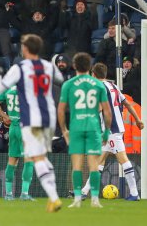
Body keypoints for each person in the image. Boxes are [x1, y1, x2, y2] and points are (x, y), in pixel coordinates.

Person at [0, 34, 63, 212]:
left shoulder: (20, 68)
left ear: (25, 49)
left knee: (14, 160)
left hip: (22, 122)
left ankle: (10, 194)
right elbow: (60, 80)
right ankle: (32, 194)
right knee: (35, 158)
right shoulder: (48, 66)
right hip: (45, 117)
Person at [80, 63, 144, 201]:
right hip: (116, 129)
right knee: (99, 161)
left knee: (123, 159)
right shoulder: (113, 86)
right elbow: (126, 103)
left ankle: (134, 193)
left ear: (93, 75)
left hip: (110, 131)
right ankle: (84, 192)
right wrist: (138, 120)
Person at [57, 53, 112, 209]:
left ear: (74, 66)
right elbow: (107, 112)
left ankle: (76, 199)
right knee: (94, 165)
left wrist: (64, 130)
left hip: (76, 128)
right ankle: (94, 199)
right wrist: (106, 131)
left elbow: (61, 110)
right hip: (93, 128)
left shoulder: (68, 84)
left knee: (77, 165)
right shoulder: (98, 84)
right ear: (90, 67)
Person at [0, 85, 34, 201]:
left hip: (13, 128)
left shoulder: (8, 90)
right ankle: (24, 193)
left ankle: (9, 194)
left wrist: (5, 116)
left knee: (12, 160)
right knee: (28, 160)